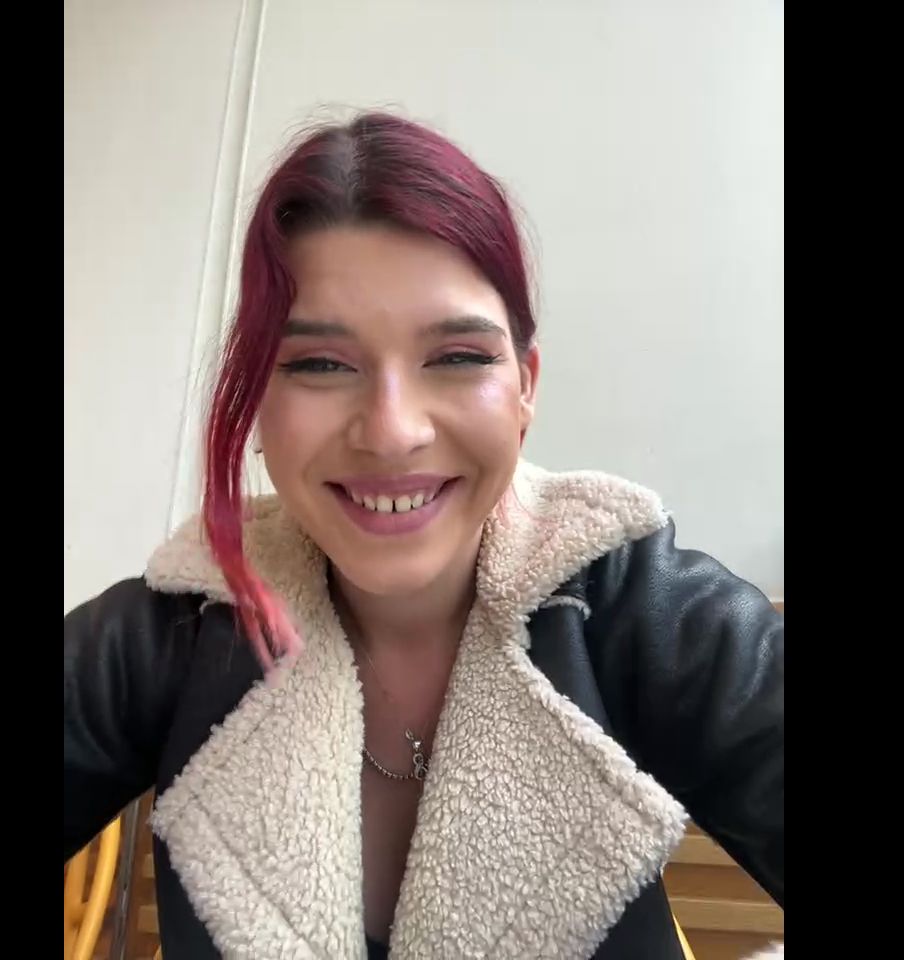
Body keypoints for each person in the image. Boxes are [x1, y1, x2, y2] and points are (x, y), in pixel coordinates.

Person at [64, 112, 783, 959]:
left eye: (458, 357)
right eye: (320, 365)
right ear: (258, 403)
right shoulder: (176, 631)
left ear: (525, 388)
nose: (392, 431)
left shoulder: (640, 608)